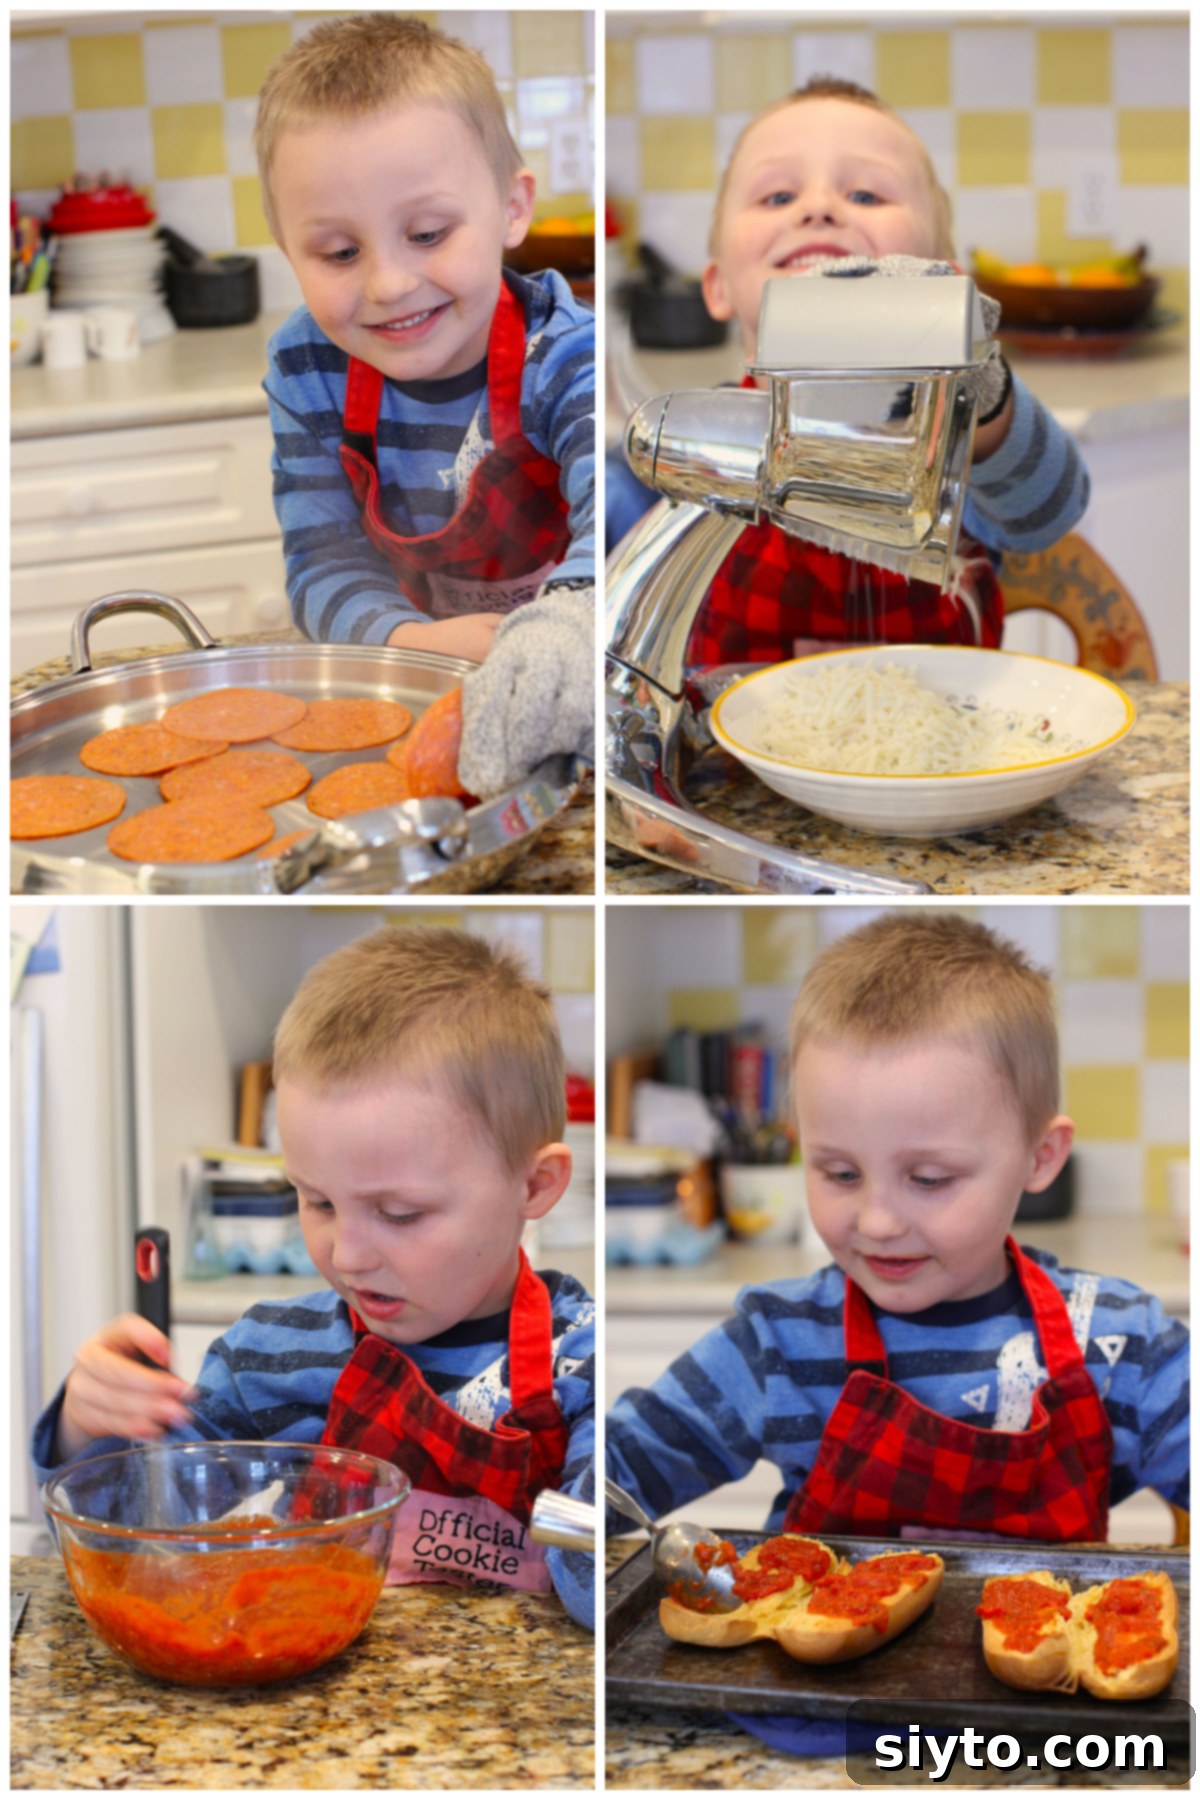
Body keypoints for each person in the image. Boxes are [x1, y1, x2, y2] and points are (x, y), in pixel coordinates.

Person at [34, 926, 596, 1628]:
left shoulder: (581, 1359)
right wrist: (87, 1433)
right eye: (318, 1201)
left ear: (535, 1185)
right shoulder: (264, 1356)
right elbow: (149, 1540)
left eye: (399, 1213)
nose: (348, 1254)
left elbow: (596, 1587)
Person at [607, 910, 1187, 1569]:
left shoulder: (1118, 1345)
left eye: (930, 1178)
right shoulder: (779, 1343)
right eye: (841, 1173)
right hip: (818, 1668)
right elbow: (619, 1469)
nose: (877, 1221)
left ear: (1039, 1157)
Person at [607, 79, 1091, 667]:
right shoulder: (693, 443)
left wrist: (975, 380)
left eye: (865, 195)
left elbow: (1049, 511)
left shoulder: (956, 435)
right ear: (717, 287)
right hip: (728, 753)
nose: (819, 208)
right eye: (778, 197)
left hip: (940, 748)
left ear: (946, 279)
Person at [256, 15, 595, 797]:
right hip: (407, 691)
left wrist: (552, 634)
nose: (388, 285)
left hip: (567, 688)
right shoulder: (307, 365)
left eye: (428, 233)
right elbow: (322, 561)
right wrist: (414, 642)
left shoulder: (562, 356)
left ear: (513, 210)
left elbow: (608, 538)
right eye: (340, 253)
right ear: (287, 251)